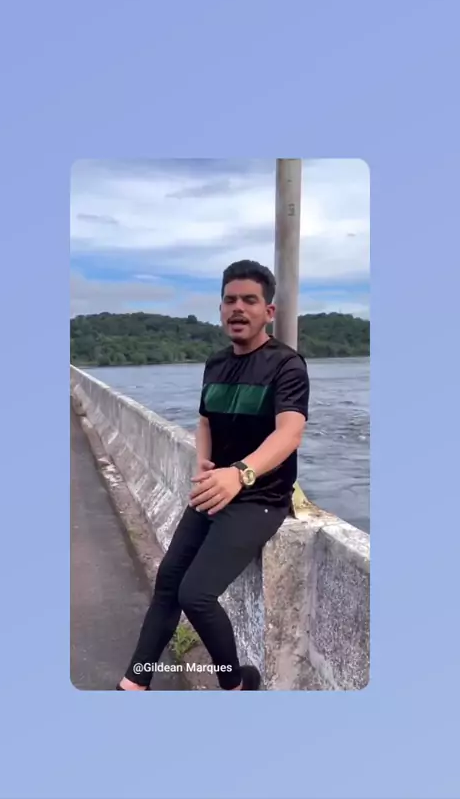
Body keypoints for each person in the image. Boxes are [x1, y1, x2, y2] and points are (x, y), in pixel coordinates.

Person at [116, 260, 309, 691]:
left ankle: (234, 685)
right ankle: (133, 685)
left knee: (196, 594)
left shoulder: (286, 365)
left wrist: (240, 474)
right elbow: (205, 420)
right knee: (168, 582)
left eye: (249, 300)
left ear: (268, 312)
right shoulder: (215, 363)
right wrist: (203, 461)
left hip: (260, 498)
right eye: (230, 300)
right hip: (214, 489)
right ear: (221, 308)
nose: (238, 308)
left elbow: (290, 432)